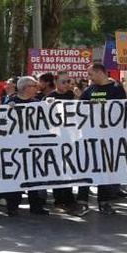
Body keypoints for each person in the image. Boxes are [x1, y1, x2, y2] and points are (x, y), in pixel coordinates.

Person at [78, 63, 126, 214]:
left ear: (100, 73)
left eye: (91, 74)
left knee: (105, 170)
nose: (89, 78)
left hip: (108, 138)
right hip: (90, 137)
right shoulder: (89, 90)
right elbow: (78, 109)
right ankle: (82, 201)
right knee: (85, 168)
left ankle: (104, 202)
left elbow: (123, 111)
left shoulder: (116, 89)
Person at [4, 76, 49, 215]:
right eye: (34, 86)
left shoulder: (36, 103)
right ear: (25, 88)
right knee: (16, 176)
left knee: (33, 176)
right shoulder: (12, 102)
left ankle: (36, 206)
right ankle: (12, 206)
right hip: (15, 146)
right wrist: (7, 109)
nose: (37, 89)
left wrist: (49, 107)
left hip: (33, 146)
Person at [45, 72, 79, 213]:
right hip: (56, 138)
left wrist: (78, 96)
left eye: (68, 81)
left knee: (69, 168)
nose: (66, 84)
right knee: (58, 169)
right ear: (56, 82)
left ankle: (69, 198)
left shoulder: (72, 95)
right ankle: (59, 199)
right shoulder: (50, 98)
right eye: (63, 82)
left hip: (71, 137)